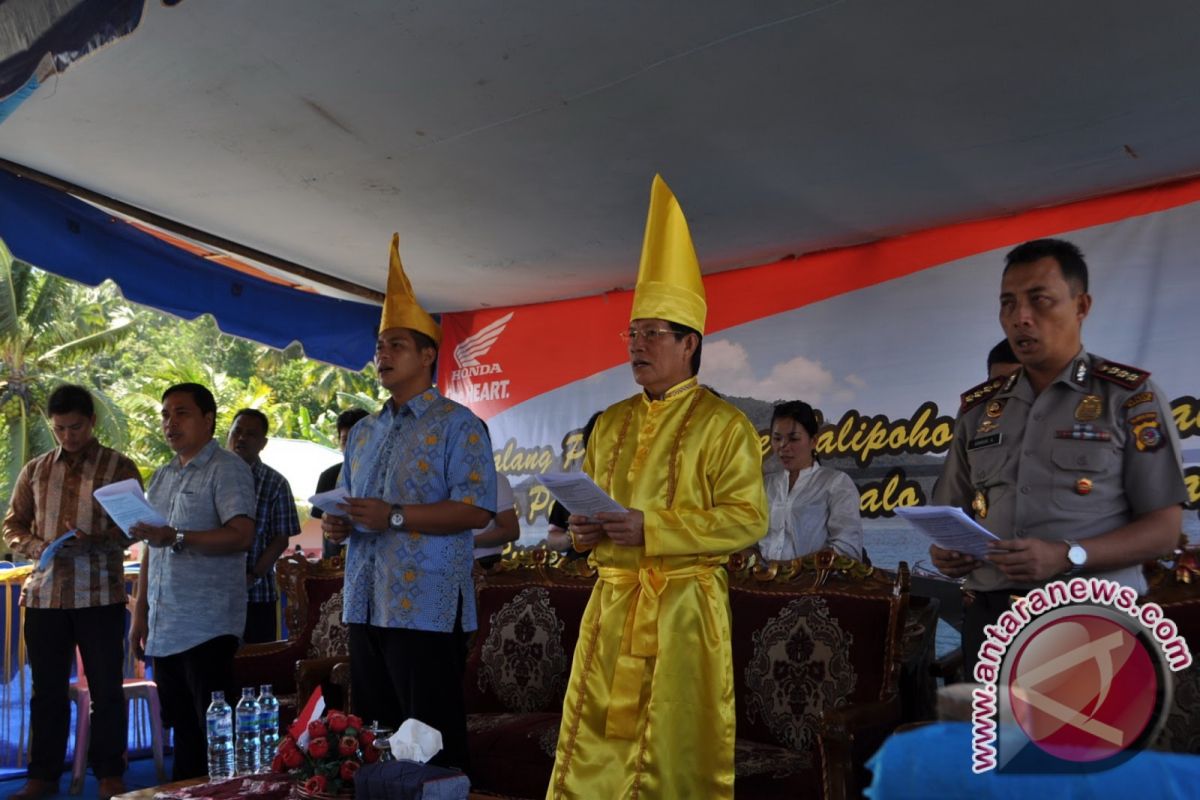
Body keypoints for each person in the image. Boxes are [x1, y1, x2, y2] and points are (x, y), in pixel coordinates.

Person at [547, 176, 768, 799]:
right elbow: (590, 515)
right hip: (614, 605)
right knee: (592, 744)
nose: (637, 346)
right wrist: (586, 533)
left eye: (652, 334)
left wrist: (654, 528)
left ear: (689, 343)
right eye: (632, 334)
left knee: (672, 750)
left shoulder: (725, 425)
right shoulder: (610, 423)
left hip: (685, 612)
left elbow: (749, 518)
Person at [930, 238, 1187, 677]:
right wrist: (945, 551)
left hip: (1090, 622)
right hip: (992, 622)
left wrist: (1068, 555)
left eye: (1039, 300)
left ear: (1081, 305)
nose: (1020, 317)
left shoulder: (1128, 397)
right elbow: (949, 513)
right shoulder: (979, 409)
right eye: (1008, 304)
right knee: (997, 747)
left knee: (1088, 746)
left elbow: (1164, 532)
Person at [321, 234, 496, 773]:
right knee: (373, 741)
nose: (383, 356)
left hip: (427, 609)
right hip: (366, 600)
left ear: (427, 355)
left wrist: (394, 516)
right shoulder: (365, 431)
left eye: (396, 345)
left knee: (432, 743)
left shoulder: (459, 425)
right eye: (379, 347)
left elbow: (477, 510)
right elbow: (353, 506)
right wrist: (339, 525)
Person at [2, 385, 141, 800]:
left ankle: (110, 775)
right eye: (60, 428)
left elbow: (136, 526)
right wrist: (37, 546)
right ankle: (42, 777)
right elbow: (12, 527)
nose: (68, 436)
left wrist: (97, 539)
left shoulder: (119, 467)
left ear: (92, 421)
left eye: (76, 427)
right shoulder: (36, 470)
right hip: (46, 597)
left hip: (101, 594)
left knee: (106, 689)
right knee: (46, 692)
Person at [129, 383, 256, 780]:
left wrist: (179, 537)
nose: (170, 423)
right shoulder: (164, 476)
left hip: (208, 626)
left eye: (181, 413)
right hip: (166, 627)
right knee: (182, 731)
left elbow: (241, 535)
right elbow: (153, 546)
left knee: (216, 736)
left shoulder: (228, 468)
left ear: (208, 419)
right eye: (166, 415)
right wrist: (140, 612)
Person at [227, 408, 302, 643]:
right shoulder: (209, 476)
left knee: (256, 667)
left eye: (250, 434)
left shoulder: (276, 483)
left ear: (263, 443)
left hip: (256, 594)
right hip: (211, 595)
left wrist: (253, 575)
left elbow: (281, 538)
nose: (241, 438)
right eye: (237, 431)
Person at [757, 400, 863, 561]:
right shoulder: (766, 485)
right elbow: (748, 538)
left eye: (793, 439)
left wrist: (793, 569)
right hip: (762, 582)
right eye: (777, 438)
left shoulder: (836, 483)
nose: (783, 446)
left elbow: (847, 548)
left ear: (813, 441)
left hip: (815, 583)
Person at [311, 408, 370, 559]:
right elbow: (321, 523)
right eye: (345, 440)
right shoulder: (329, 476)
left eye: (358, 441)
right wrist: (329, 525)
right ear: (339, 442)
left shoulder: (381, 477)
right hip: (334, 560)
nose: (351, 447)